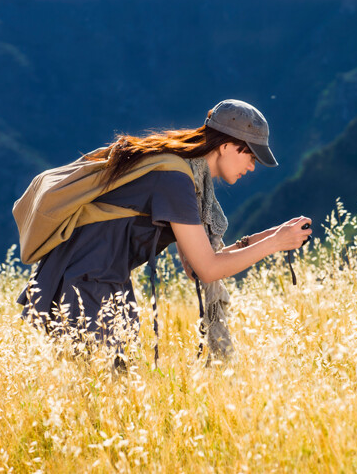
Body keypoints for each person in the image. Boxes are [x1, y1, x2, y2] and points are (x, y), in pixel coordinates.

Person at [16, 99, 312, 366]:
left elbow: (199, 266)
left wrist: (268, 237)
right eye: (251, 155)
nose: (252, 166)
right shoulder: (175, 180)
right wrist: (275, 243)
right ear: (226, 146)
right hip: (86, 282)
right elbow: (208, 270)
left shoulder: (182, 175)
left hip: (96, 280)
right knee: (105, 393)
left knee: (106, 394)